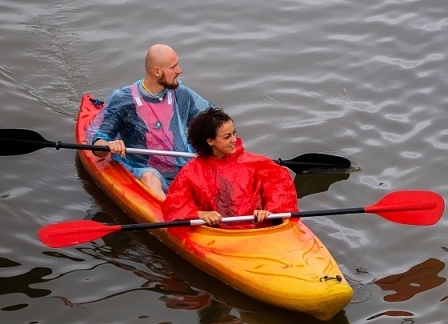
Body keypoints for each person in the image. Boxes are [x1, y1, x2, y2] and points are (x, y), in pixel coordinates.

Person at [89, 44, 210, 197]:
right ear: (157, 71)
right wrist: (109, 145)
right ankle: (168, 210)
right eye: (173, 67)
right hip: (144, 168)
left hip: (182, 164)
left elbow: (212, 120)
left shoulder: (181, 93)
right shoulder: (123, 99)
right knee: (150, 177)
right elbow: (98, 147)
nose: (179, 70)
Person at [162, 107, 297, 227]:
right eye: (227, 137)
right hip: (216, 233)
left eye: (234, 133)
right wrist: (200, 214)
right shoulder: (192, 171)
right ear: (210, 141)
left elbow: (279, 185)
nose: (234, 140)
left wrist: (270, 211)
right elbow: (175, 205)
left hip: (257, 228)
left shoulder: (255, 163)